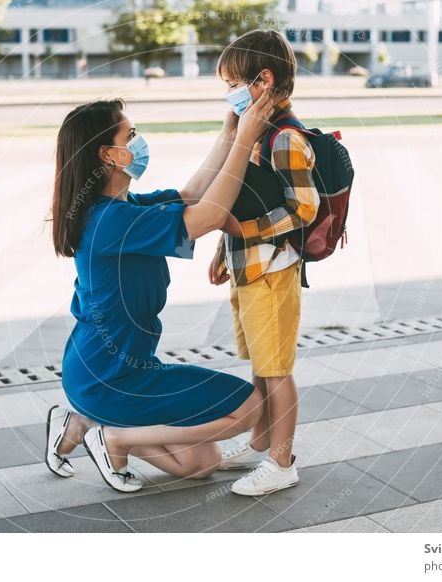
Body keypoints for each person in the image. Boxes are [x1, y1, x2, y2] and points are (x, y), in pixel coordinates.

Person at [46, 92, 275, 493]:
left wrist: (229, 132)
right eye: (130, 134)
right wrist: (246, 140)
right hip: (114, 377)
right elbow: (210, 216)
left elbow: (191, 197)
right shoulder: (113, 221)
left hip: (107, 373)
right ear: (109, 155)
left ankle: (87, 421)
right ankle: (113, 437)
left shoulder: (123, 207)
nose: (138, 142)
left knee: (200, 462)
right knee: (250, 407)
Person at [210, 30, 320, 496]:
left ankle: (281, 461)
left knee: (276, 370)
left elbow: (304, 207)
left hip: (273, 270)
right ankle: (262, 446)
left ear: (264, 80)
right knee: (260, 362)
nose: (229, 92)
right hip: (250, 268)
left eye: (235, 81)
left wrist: (244, 234)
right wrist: (224, 248)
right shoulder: (255, 133)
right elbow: (247, 197)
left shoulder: (284, 139)